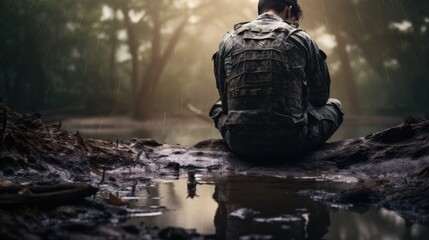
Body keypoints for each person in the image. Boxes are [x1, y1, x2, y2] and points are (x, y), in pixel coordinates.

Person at [210, 0, 343, 157]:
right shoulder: (302, 38)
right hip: (292, 143)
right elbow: (320, 98)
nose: (294, 25)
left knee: (217, 107)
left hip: (240, 143)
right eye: (294, 21)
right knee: (335, 106)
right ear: (289, 10)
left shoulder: (228, 40)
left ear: (261, 11)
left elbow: (225, 103)